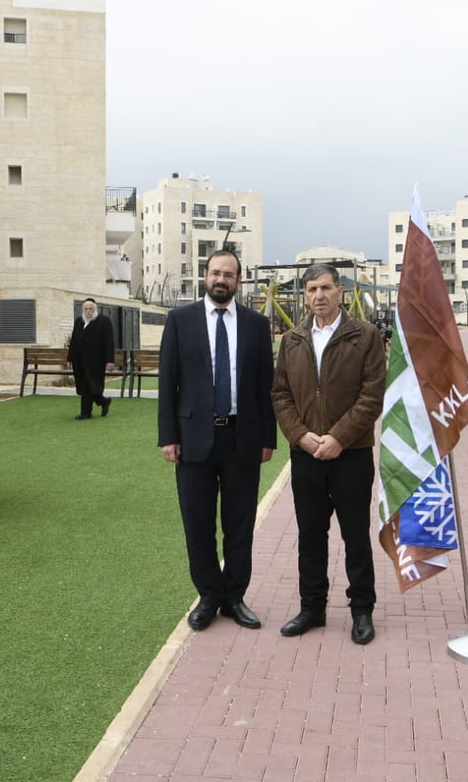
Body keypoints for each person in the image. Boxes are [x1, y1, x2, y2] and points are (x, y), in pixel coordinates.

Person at [158, 250, 277, 631]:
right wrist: (168, 436)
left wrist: (268, 437)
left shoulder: (257, 325)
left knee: (240, 524)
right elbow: (167, 384)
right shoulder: (180, 321)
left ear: (238, 281)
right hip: (194, 440)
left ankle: (234, 598)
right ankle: (209, 596)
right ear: (204, 276)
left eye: (228, 274)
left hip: (243, 437)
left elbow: (265, 386)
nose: (220, 280)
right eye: (215, 273)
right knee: (198, 524)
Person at [271, 263, 386, 645]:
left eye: (325, 288)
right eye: (311, 290)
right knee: (310, 535)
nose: (318, 295)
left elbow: (372, 396)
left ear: (340, 292)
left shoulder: (365, 336)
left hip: (351, 453)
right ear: (304, 296)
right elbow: (281, 395)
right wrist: (301, 436)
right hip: (306, 455)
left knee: (355, 534)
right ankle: (312, 608)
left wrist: (337, 437)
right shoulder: (293, 340)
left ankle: (362, 611)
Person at [68, 298, 115, 421]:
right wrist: (70, 357)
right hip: (79, 360)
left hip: (96, 361)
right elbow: (73, 340)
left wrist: (110, 360)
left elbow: (109, 342)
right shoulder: (79, 321)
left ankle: (85, 412)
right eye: (86, 309)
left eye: (90, 309)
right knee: (86, 386)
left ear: (95, 309)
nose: (88, 311)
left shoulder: (104, 321)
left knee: (88, 385)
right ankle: (103, 401)